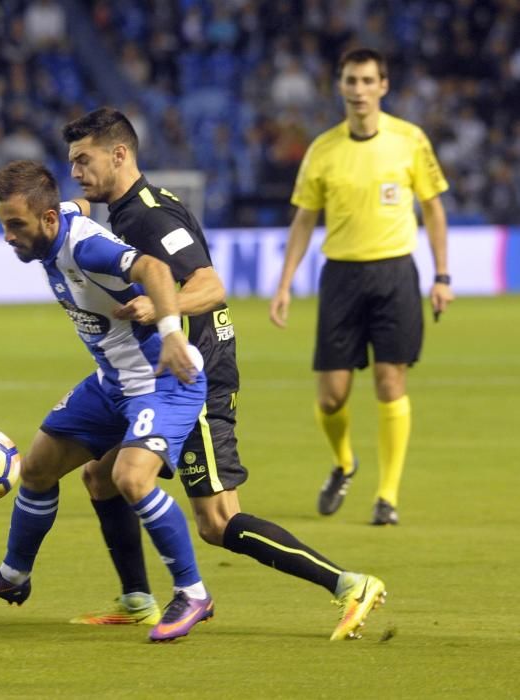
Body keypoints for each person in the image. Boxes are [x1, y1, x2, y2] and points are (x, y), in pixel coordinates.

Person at [61, 107, 385, 641]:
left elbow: (211, 285)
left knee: (216, 522)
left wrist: (157, 311)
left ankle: (349, 583)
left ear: (119, 154)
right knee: (100, 476)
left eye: (83, 160)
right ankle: (137, 599)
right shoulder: (126, 210)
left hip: (196, 376)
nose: (76, 171)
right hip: (159, 378)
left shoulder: (149, 217)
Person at [0, 159, 213, 643]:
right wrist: (71, 202)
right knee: (40, 467)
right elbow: (78, 203)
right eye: (3, 223)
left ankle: (193, 592)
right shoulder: (59, 214)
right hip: (112, 382)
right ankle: (13, 577)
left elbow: (151, 266)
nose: (7, 236)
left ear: (47, 221)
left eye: (15, 225)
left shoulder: (86, 247)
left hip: (163, 377)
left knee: (128, 478)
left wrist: (171, 331)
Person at [269, 48, 452, 526]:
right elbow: (305, 219)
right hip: (342, 277)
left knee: (391, 383)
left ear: (383, 86)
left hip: (395, 273)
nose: (359, 90)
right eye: (351, 80)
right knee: (331, 396)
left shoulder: (410, 141)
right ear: (340, 86)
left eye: (368, 81)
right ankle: (345, 463)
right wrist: (285, 284)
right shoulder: (323, 150)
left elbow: (433, 209)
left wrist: (442, 275)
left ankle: (387, 496)